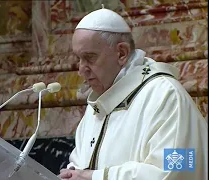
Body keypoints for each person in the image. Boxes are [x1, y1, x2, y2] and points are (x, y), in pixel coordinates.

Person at [58, 5, 208, 180]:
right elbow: (80, 162)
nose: (81, 70)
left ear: (122, 53)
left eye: (89, 57)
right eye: (78, 59)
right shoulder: (98, 105)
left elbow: (179, 169)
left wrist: (95, 178)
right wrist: (72, 173)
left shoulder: (166, 96)